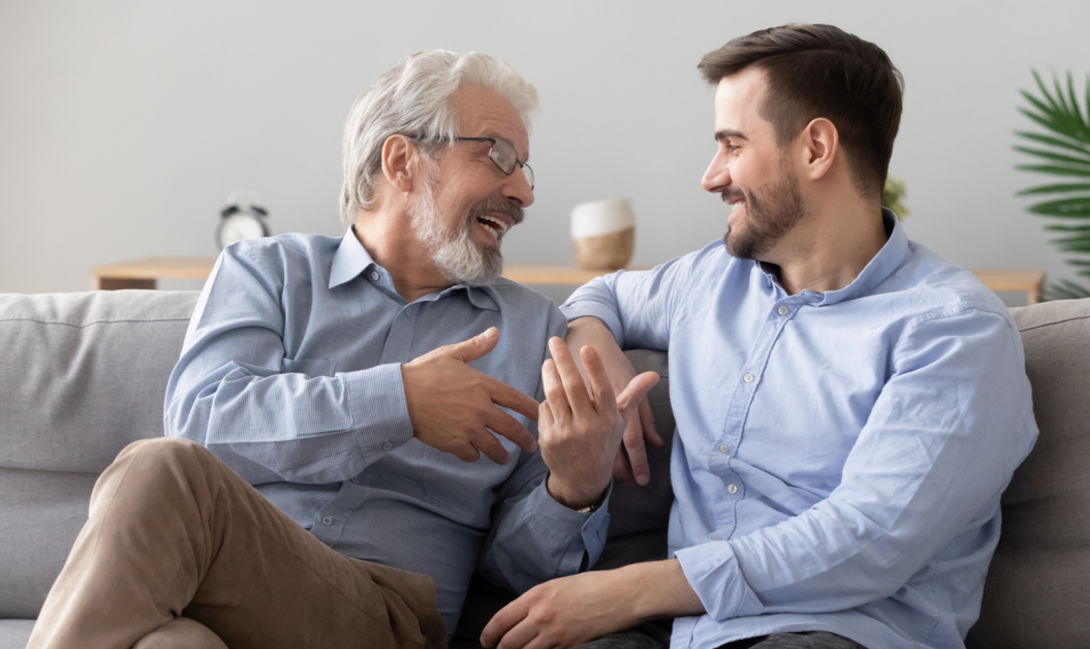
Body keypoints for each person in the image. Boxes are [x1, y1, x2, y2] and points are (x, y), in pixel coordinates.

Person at [26, 50, 653, 649]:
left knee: (161, 469)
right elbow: (203, 419)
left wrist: (574, 488)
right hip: (215, 591)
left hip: (386, 617)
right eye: (499, 156)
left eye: (524, 167)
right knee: (170, 641)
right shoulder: (266, 272)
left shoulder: (531, 329)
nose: (524, 192)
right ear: (403, 160)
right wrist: (398, 400)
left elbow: (518, 579)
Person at [480, 24, 1039, 649]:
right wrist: (595, 345)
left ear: (817, 148)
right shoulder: (712, 280)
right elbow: (600, 295)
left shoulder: (952, 331)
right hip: (683, 633)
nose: (711, 176)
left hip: (835, 633)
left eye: (732, 145)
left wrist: (629, 590)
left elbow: (869, 540)